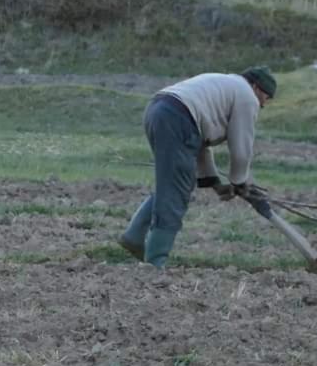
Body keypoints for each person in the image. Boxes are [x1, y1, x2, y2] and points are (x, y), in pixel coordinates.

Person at [118, 67, 276, 267]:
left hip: (157, 109)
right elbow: (241, 150)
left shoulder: (224, 86)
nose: (263, 103)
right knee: (176, 191)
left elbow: (199, 143)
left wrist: (216, 184)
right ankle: (155, 262)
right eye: (266, 97)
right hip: (177, 118)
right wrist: (240, 182)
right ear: (256, 86)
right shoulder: (247, 96)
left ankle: (134, 236)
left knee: (172, 183)